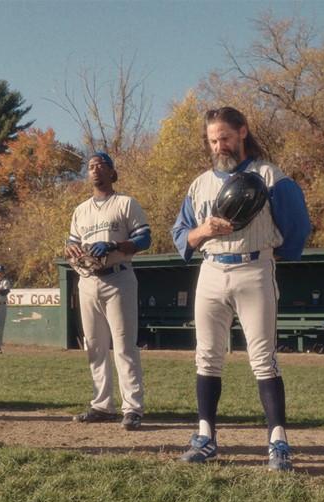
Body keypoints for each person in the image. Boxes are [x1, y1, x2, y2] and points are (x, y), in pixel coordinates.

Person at [171, 106, 311, 471]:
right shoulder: (200, 183)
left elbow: (298, 224)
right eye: (214, 140)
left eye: (226, 138)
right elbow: (181, 234)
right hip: (211, 270)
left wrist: (274, 254)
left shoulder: (269, 175)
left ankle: (277, 441)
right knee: (207, 356)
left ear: (243, 133)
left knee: (263, 358)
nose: (220, 146)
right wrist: (203, 232)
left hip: (253, 268)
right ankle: (205, 437)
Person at [65, 152, 151, 431]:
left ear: (111, 172)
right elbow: (71, 243)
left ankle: (133, 408)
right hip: (88, 280)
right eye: (90, 167)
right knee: (95, 346)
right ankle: (102, 405)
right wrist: (72, 251)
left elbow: (145, 238)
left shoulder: (125, 203)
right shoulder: (81, 210)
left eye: (100, 165)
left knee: (124, 346)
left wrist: (114, 245)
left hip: (119, 279)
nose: (94, 170)